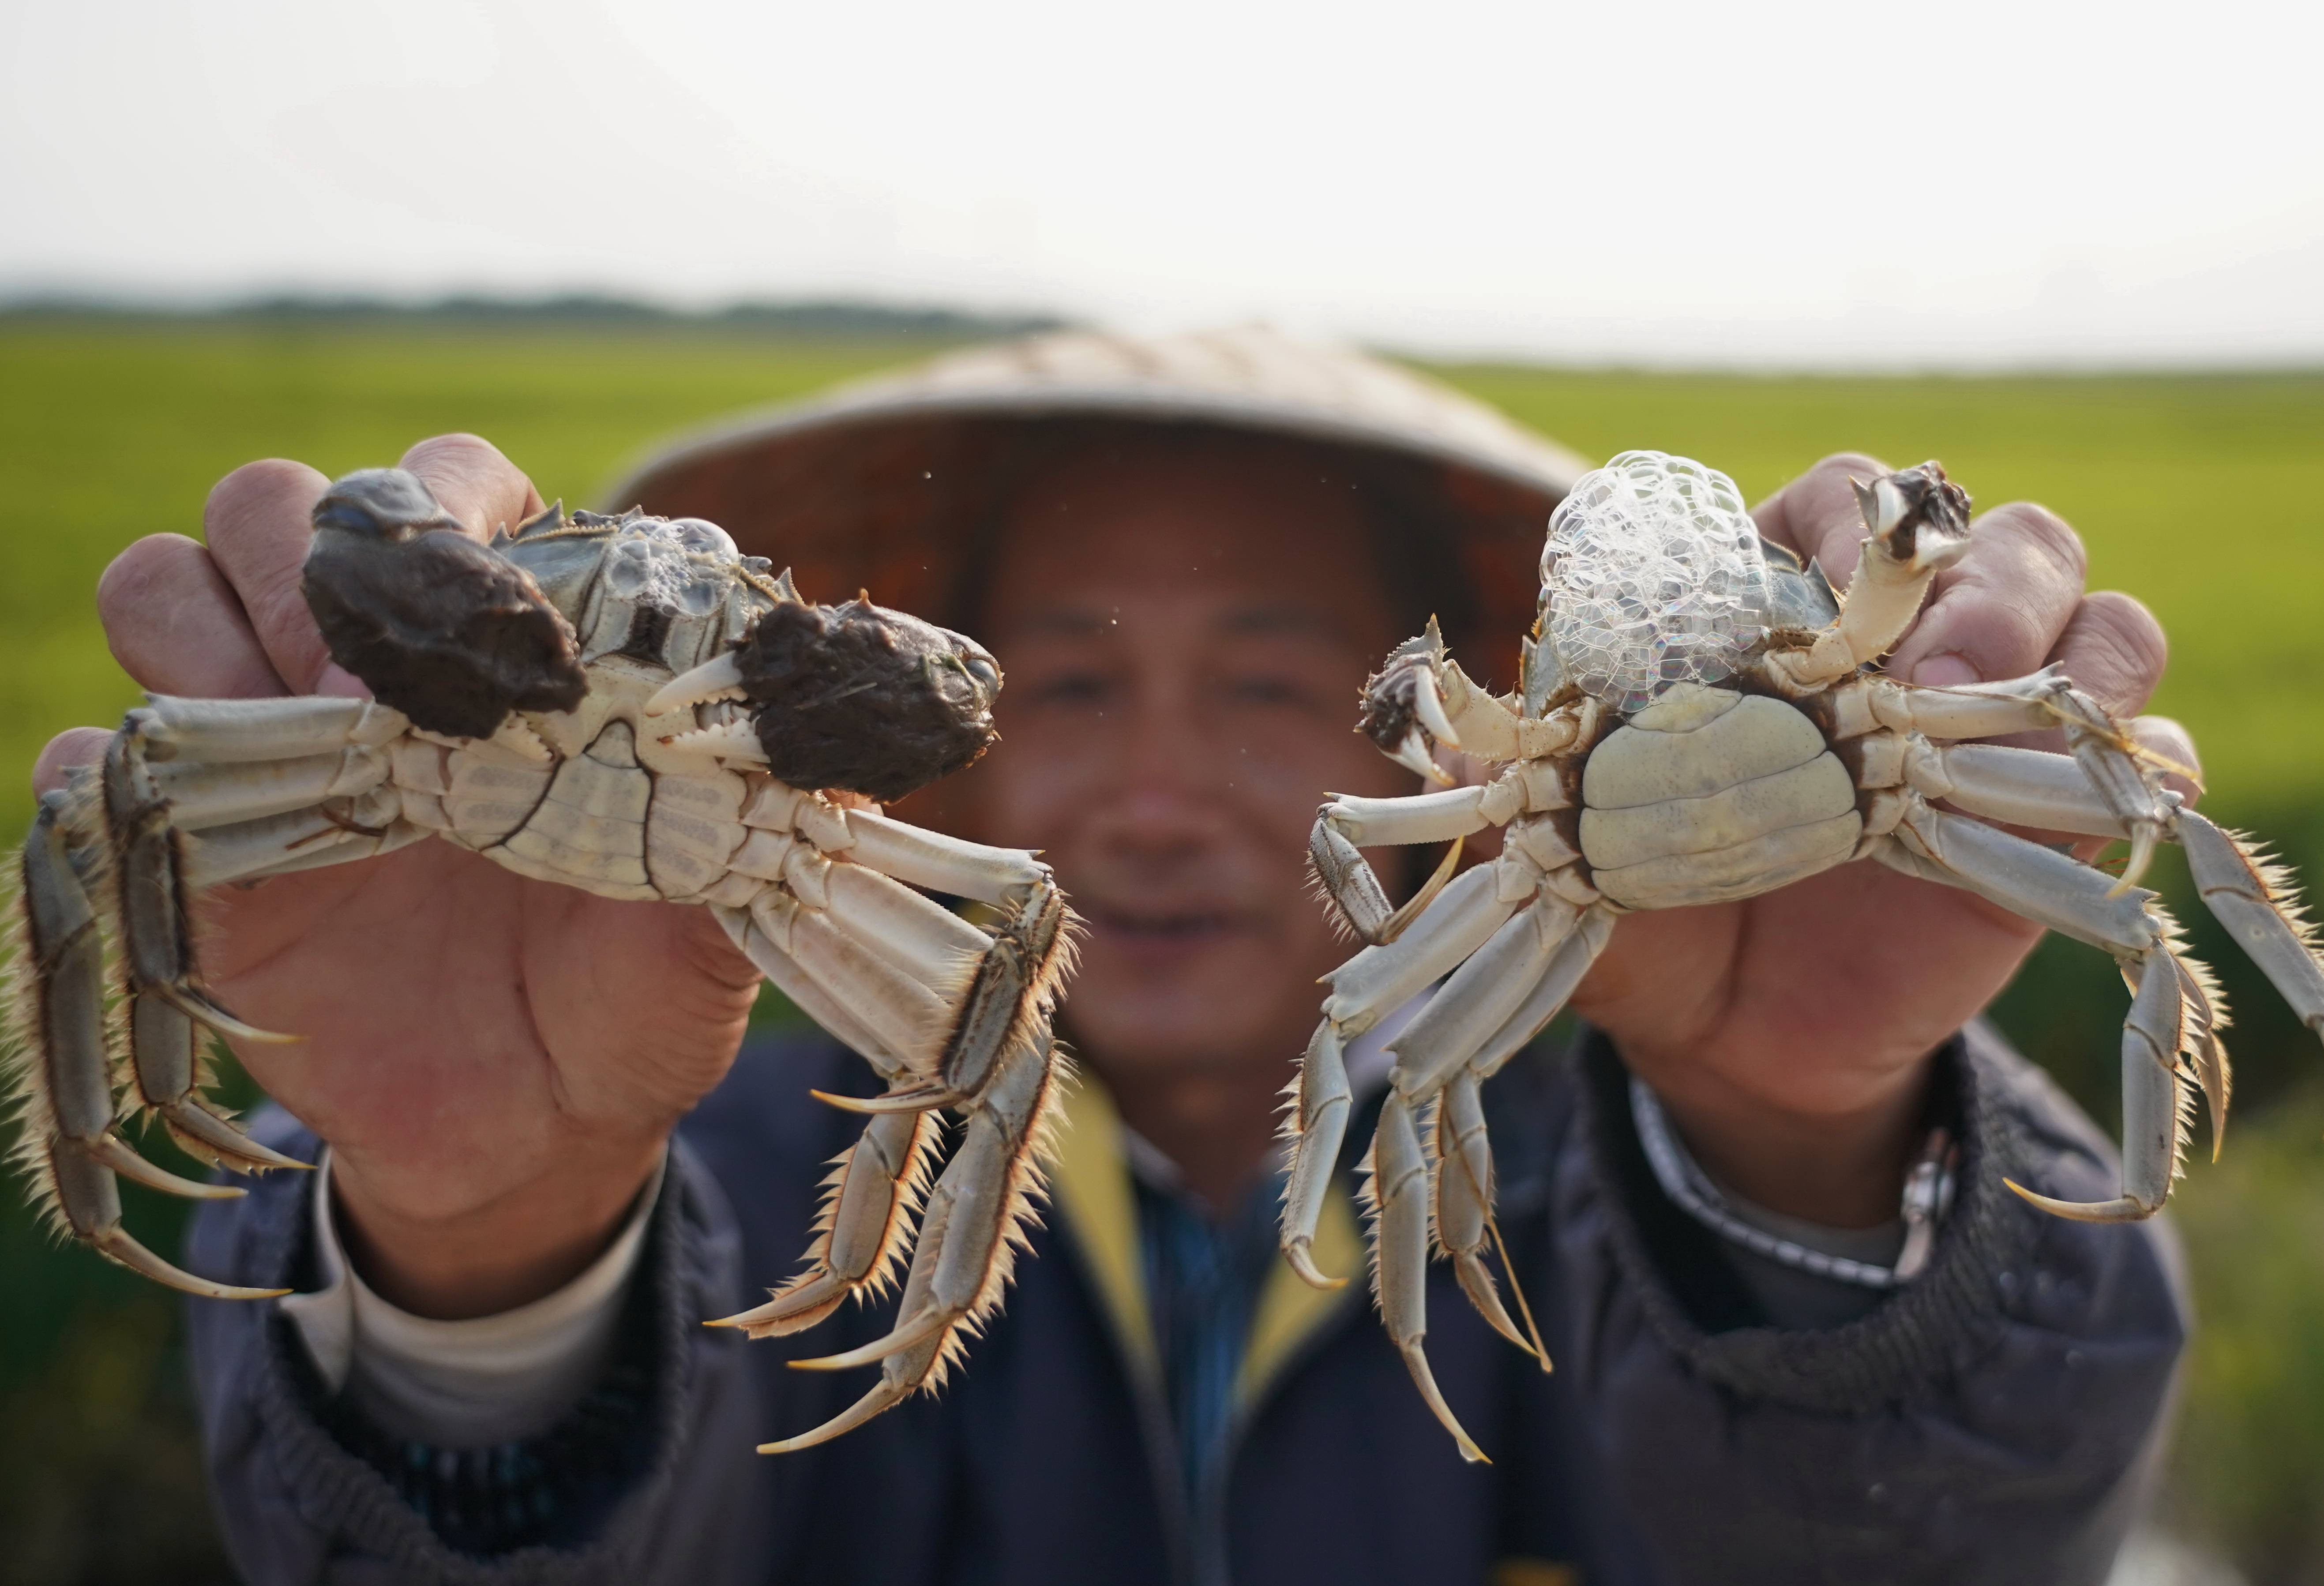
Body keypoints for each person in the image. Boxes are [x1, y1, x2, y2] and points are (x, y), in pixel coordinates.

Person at [40, 326, 2188, 1585]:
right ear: (890, 749)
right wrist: (489, 1239)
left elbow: (1930, 1540)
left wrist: (1797, 1136)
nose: (1155, 791)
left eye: (1272, 687)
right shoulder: (723, 1144)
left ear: (1458, 733)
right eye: (1063, 683)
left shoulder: (1552, 1167)